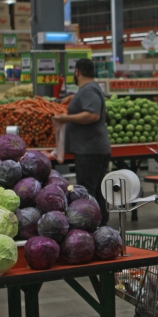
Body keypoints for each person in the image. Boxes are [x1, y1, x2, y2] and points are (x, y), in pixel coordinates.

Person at [52, 59, 111, 224]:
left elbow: (93, 115)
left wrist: (65, 118)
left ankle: (93, 225)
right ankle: (100, 225)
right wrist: (74, 98)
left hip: (90, 150)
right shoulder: (88, 89)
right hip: (94, 148)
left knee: (88, 191)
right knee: (97, 191)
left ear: (77, 72)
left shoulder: (89, 89)